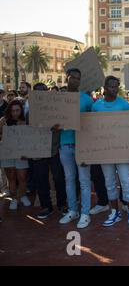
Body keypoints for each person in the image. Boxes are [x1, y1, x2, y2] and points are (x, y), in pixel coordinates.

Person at [91, 76, 129, 230]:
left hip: (122, 152)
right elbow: (92, 130)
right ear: (105, 87)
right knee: (109, 183)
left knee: (126, 182)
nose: (114, 89)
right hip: (105, 153)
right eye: (111, 86)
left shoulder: (124, 105)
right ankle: (114, 212)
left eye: (116, 86)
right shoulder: (97, 106)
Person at [57, 68, 94, 229]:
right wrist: (53, 126)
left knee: (84, 181)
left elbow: (94, 124)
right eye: (73, 78)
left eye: (78, 79)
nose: (75, 81)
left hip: (82, 146)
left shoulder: (86, 99)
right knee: (69, 179)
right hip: (64, 145)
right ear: (67, 78)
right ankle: (72, 210)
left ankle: (85, 213)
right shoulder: (58, 99)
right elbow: (50, 122)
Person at [27, 83, 67, 219]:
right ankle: (46, 206)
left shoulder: (56, 110)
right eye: (38, 92)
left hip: (55, 149)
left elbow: (64, 125)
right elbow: (26, 133)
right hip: (38, 152)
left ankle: (62, 204)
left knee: (58, 178)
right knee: (41, 180)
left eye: (43, 91)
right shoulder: (29, 113)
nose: (41, 94)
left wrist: (58, 127)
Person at [0, 100, 29, 210]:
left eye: (17, 110)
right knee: (11, 177)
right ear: (9, 111)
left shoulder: (25, 121)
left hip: (22, 153)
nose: (15, 113)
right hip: (7, 153)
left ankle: (23, 196)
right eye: (13, 111)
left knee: (22, 177)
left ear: (21, 110)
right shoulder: (3, 120)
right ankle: (14, 199)